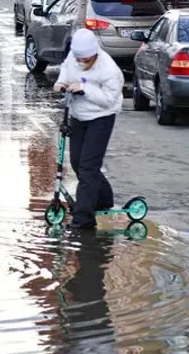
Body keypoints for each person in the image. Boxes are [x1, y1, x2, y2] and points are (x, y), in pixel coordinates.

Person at [52, 29, 124, 229]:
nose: (81, 61)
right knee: (77, 162)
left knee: (88, 167)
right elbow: (66, 71)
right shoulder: (74, 58)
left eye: (85, 58)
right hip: (78, 116)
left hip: (101, 118)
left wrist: (84, 89)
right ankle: (103, 197)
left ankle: (83, 218)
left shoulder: (108, 69)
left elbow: (109, 100)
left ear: (94, 54)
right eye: (78, 57)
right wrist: (61, 83)